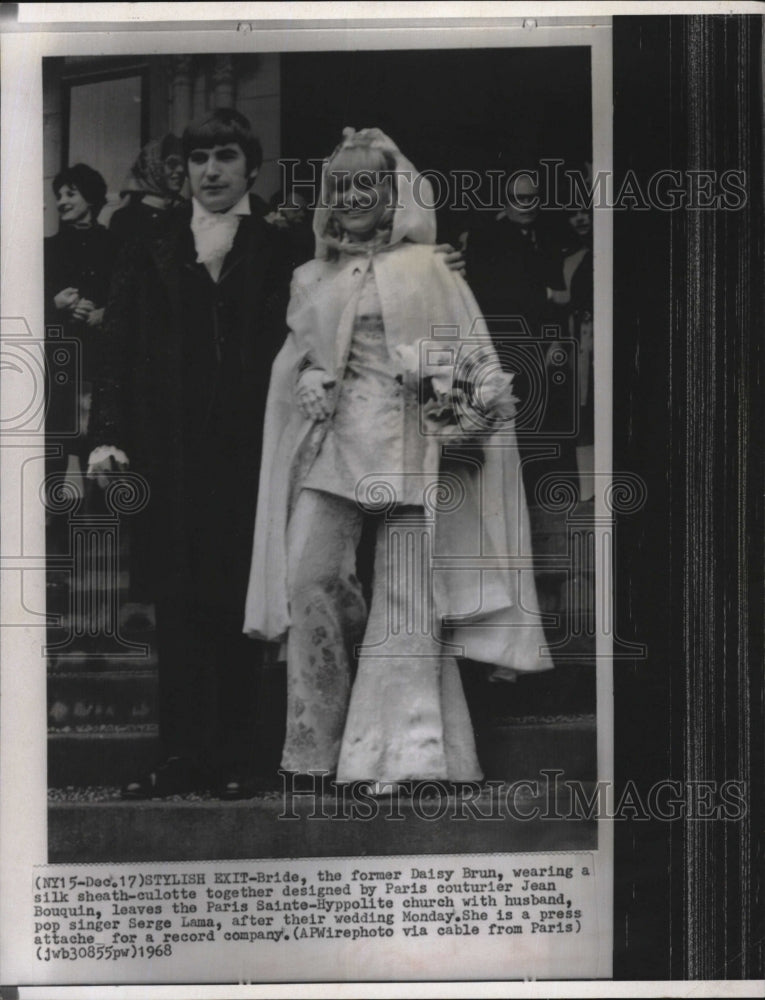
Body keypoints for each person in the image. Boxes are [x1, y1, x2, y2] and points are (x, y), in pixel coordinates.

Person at [244, 128, 551, 789]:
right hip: (333, 454)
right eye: (343, 184)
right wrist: (306, 377)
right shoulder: (311, 273)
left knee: (407, 597)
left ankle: (403, 755)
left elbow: (458, 355)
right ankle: (316, 743)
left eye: (369, 184)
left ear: (394, 196)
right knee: (307, 578)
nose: (354, 196)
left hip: (411, 451)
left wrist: (449, 401)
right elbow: (298, 355)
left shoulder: (428, 267)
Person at [89, 108, 294, 799]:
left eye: (226, 157)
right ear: (183, 169)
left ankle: (240, 756)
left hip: (250, 453)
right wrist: (108, 433)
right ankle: (178, 755)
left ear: (251, 167)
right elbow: (116, 341)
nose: (211, 171)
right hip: (168, 452)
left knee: (240, 601)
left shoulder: (278, 244)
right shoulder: (151, 240)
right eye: (200, 158)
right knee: (177, 608)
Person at [44, 164, 122, 493]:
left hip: (101, 357)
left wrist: (104, 313)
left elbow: (128, 298)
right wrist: (57, 306)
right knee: (54, 439)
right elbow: (21, 307)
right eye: (59, 195)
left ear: (90, 197)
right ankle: (49, 512)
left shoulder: (114, 244)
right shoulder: (46, 248)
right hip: (59, 359)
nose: (61, 201)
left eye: (70, 193)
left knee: (100, 436)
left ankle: (102, 518)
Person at [108, 134, 186, 242]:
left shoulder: (186, 212)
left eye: (183, 164)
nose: (181, 170)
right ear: (153, 167)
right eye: (172, 164)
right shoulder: (125, 219)